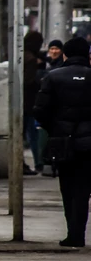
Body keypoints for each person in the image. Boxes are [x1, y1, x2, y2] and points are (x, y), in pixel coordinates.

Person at [33, 36, 91, 247]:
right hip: (88, 145)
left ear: (65, 54)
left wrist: (55, 129)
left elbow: (39, 110)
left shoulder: (53, 77)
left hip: (62, 142)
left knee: (67, 187)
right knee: (84, 189)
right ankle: (79, 234)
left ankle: (72, 234)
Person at [23, 30, 45, 175]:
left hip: (21, 102)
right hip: (29, 102)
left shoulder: (21, 54)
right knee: (32, 133)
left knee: (23, 133)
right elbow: (28, 81)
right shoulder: (31, 60)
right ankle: (39, 162)